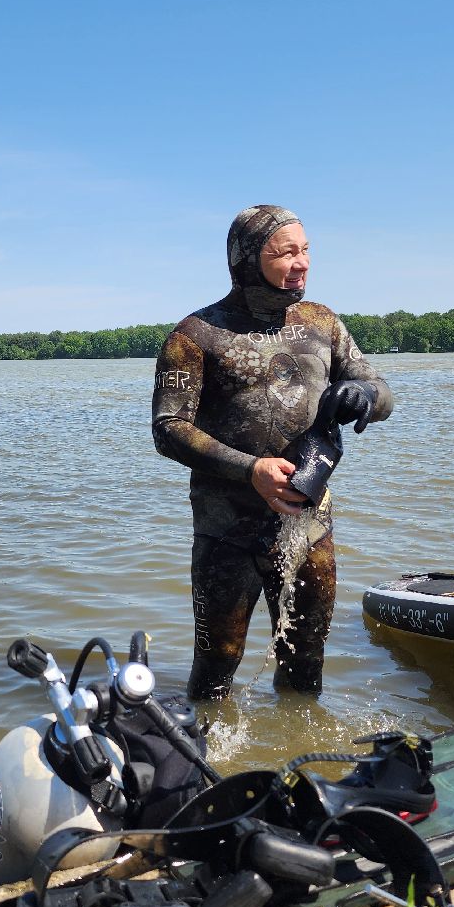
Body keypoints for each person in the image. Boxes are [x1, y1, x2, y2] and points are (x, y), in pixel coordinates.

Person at [151, 205, 393, 699]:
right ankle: (208, 766)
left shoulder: (322, 324)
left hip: (308, 526)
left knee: (306, 659)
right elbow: (168, 428)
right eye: (285, 252)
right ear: (244, 258)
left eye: (305, 250)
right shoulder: (195, 335)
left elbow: (380, 390)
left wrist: (365, 396)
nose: (301, 262)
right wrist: (251, 470)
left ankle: (300, 753)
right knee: (217, 664)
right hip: (226, 530)